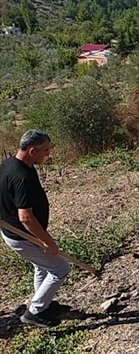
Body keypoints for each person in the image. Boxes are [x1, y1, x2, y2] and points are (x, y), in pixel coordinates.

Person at [0, 130, 70, 328]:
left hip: (19, 233)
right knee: (60, 268)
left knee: (43, 267)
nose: (47, 154)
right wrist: (47, 241)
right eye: (45, 150)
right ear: (32, 150)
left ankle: (43, 305)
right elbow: (26, 218)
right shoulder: (21, 176)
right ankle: (35, 312)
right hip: (23, 236)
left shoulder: (9, 164)